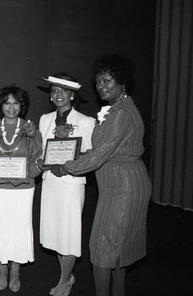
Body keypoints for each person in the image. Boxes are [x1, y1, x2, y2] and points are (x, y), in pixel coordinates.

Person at [58, 54, 152, 296]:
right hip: (117, 182)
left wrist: (67, 166)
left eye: (107, 80)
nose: (101, 86)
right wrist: (74, 155)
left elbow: (101, 154)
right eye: (98, 81)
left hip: (124, 185)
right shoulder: (114, 109)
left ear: (122, 83)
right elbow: (99, 149)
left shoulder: (121, 113)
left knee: (103, 245)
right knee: (114, 247)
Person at [36, 73, 95, 296]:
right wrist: (40, 161)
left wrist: (69, 165)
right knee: (56, 233)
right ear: (50, 96)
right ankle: (67, 275)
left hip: (71, 184)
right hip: (50, 183)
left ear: (72, 95)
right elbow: (42, 151)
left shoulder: (86, 122)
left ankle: (63, 281)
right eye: (54, 91)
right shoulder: (44, 119)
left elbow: (89, 155)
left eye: (63, 91)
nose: (58, 95)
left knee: (69, 233)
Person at [0, 85, 42, 293]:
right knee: (0, 226)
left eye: (15, 103)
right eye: (7, 103)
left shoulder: (31, 129)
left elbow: (38, 161)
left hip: (23, 189)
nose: (11, 107)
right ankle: (2, 267)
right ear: (1, 106)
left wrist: (30, 173)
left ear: (21, 106)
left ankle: (15, 269)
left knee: (20, 226)